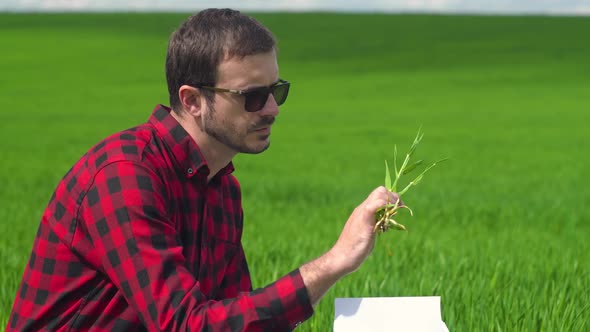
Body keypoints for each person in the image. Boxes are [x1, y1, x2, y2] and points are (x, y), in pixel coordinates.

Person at [7, 8, 401, 331]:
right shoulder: (125, 176)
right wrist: (334, 262)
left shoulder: (221, 188)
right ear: (192, 100)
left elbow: (233, 317)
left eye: (276, 90)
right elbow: (185, 325)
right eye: (253, 96)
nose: (272, 109)